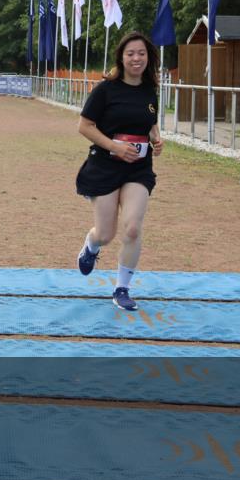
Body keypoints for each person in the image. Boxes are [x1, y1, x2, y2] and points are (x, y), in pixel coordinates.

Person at [75, 31, 164, 312]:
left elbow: (150, 123)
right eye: (130, 54)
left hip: (138, 169)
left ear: (148, 57)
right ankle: (91, 246)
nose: (136, 58)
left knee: (133, 228)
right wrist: (114, 146)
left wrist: (156, 138)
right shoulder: (106, 90)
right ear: (122, 57)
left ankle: (121, 288)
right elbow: (85, 126)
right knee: (106, 234)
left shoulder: (151, 90)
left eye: (141, 53)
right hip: (105, 167)